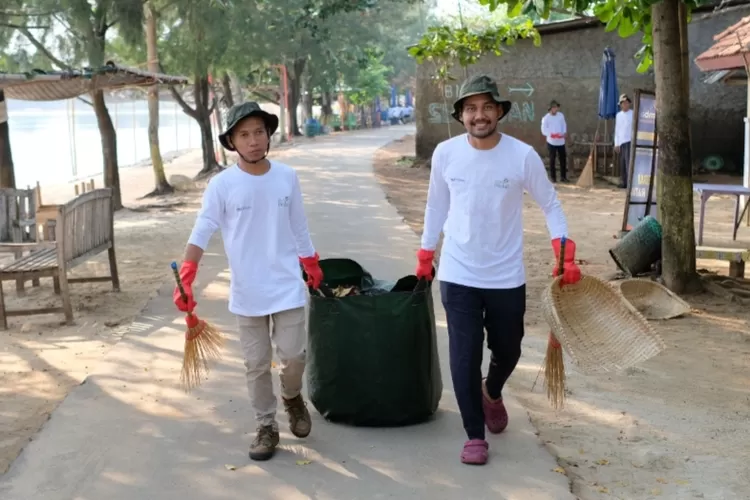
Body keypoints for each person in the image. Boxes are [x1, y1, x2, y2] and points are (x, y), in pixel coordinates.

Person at [414, 75, 581, 466]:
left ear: (499, 111)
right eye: (470, 108)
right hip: (458, 273)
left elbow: (551, 204)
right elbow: (436, 206)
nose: (479, 115)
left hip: (506, 275)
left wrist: (563, 246)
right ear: (461, 115)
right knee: (462, 355)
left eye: (487, 107)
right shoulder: (445, 154)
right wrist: (425, 252)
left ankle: (492, 389)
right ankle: (474, 434)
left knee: (508, 348)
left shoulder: (521, 156)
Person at [173, 102, 324, 462]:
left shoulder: (286, 176)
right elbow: (203, 228)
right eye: (244, 134)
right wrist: (189, 271)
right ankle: (266, 425)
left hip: (286, 284)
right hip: (247, 291)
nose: (254, 140)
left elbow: (299, 225)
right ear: (232, 142)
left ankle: (291, 396)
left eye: (259, 132)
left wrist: (311, 262)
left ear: (268, 136)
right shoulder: (222, 185)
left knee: (293, 356)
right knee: (255, 364)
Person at [541, 100, 569, 183]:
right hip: (551, 142)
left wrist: (564, 133)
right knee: (552, 159)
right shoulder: (546, 118)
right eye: (554, 107)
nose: (556, 109)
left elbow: (564, 125)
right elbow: (543, 130)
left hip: (561, 141)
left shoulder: (561, 116)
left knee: (563, 159)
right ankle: (553, 178)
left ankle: (563, 177)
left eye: (557, 107)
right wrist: (550, 134)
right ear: (550, 108)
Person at [614, 94, 633, 189]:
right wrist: (616, 143)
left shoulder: (633, 113)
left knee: (629, 163)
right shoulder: (618, 115)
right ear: (621, 105)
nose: (625, 105)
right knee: (622, 164)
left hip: (630, 141)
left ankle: (630, 183)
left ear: (629, 104)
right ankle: (624, 182)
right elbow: (617, 130)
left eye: (627, 103)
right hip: (621, 142)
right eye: (623, 103)